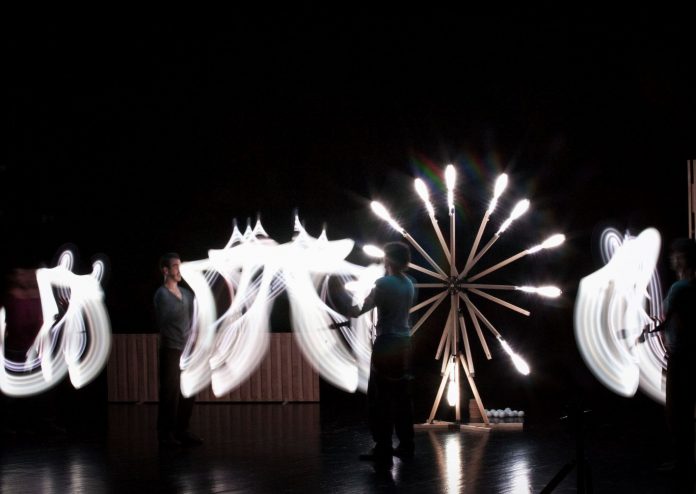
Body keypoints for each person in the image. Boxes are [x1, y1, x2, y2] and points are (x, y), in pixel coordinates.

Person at [347, 241, 416, 469]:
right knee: (402, 397)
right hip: (404, 344)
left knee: (380, 398)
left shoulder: (383, 284)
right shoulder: (409, 284)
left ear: (389, 259)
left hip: (386, 344)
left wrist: (347, 302)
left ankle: (383, 448)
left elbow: (360, 309)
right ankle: (406, 444)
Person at [658, 238, 696, 487]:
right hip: (690, 354)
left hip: (680, 356)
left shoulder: (679, 288)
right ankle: (685, 462)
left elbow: (665, 321)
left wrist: (647, 331)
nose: (672, 259)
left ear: (683, 258)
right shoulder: (692, 286)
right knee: (686, 411)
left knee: (676, 413)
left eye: (675, 255)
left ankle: (682, 464)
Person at [154, 253, 202, 447]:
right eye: (175, 266)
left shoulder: (187, 294)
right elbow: (166, 320)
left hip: (187, 349)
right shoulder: (162, 295)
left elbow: (195, 318)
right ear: (165, 270)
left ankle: (182, 430)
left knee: (188, 390)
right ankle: (165, 434)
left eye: (180, 265)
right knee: (170, 393)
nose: (179, 269)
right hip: (171, 349)